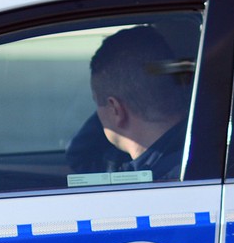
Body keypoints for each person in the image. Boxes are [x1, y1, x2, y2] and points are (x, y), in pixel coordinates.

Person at [67, 25, 190, 181]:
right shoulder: (199, 152)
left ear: (115, 110)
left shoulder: (162, 180)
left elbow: (80, 157)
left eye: (97, 103)